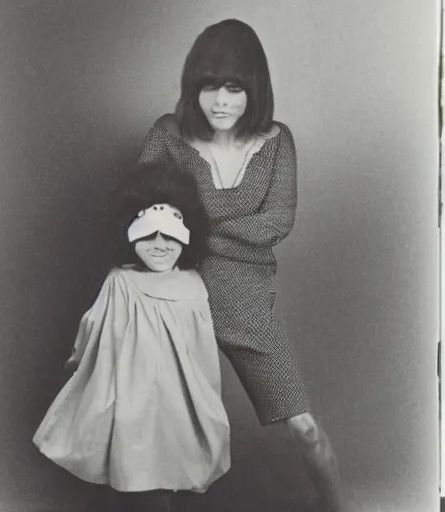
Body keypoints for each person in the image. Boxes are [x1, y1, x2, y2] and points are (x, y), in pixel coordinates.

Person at [138, 19, 346, 512]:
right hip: (177, 300)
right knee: (165, 429)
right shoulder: (167, 135)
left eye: (235, 87)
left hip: (249, 304)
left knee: (305, 429)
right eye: (209, 86)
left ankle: (339, 507)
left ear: (255, 89)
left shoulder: (277, 141)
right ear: (194, 89)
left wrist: (195, 224)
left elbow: (276, 223)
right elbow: (140, 216)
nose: (222, 100)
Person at [32, 162, 231, 512]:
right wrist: (77, 362)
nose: (159, 245)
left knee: (179, 479)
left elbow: (204, 355)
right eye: (148, 234)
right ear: (128, 234)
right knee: (142, 479)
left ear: (188, 235)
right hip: (133, 404)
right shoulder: (120, 281)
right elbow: (96, 331)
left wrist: (208, 404)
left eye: (170, 235)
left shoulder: (195, 286)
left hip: (184, 407)